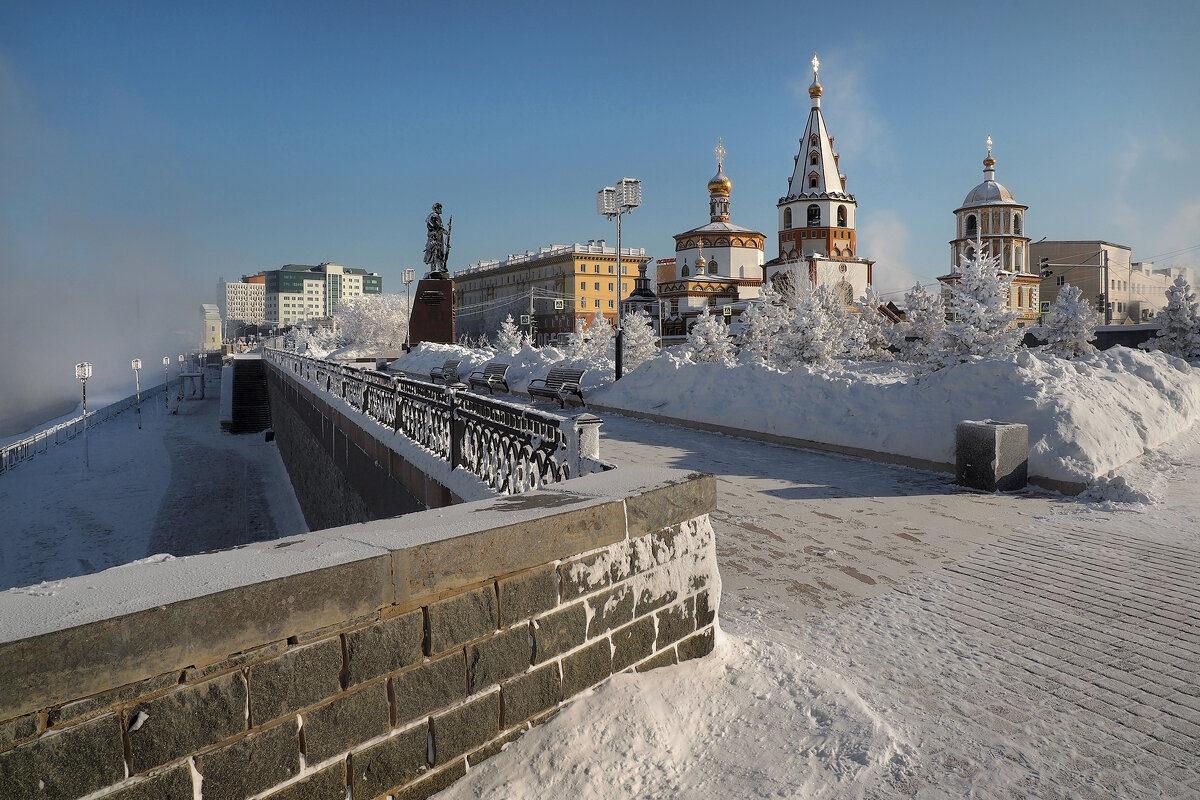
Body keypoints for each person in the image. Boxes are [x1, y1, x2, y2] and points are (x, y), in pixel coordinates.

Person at [424, 203, 449, 277]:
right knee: (437, 253)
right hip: (436, 238)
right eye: (440, 208)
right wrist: (446, 232)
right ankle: (439, 268)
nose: (441, 210)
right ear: (436, 209)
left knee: (435, 253)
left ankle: (435, 268)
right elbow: (438, 227)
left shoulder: (432, 216)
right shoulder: (434, 216)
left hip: (435, 237)